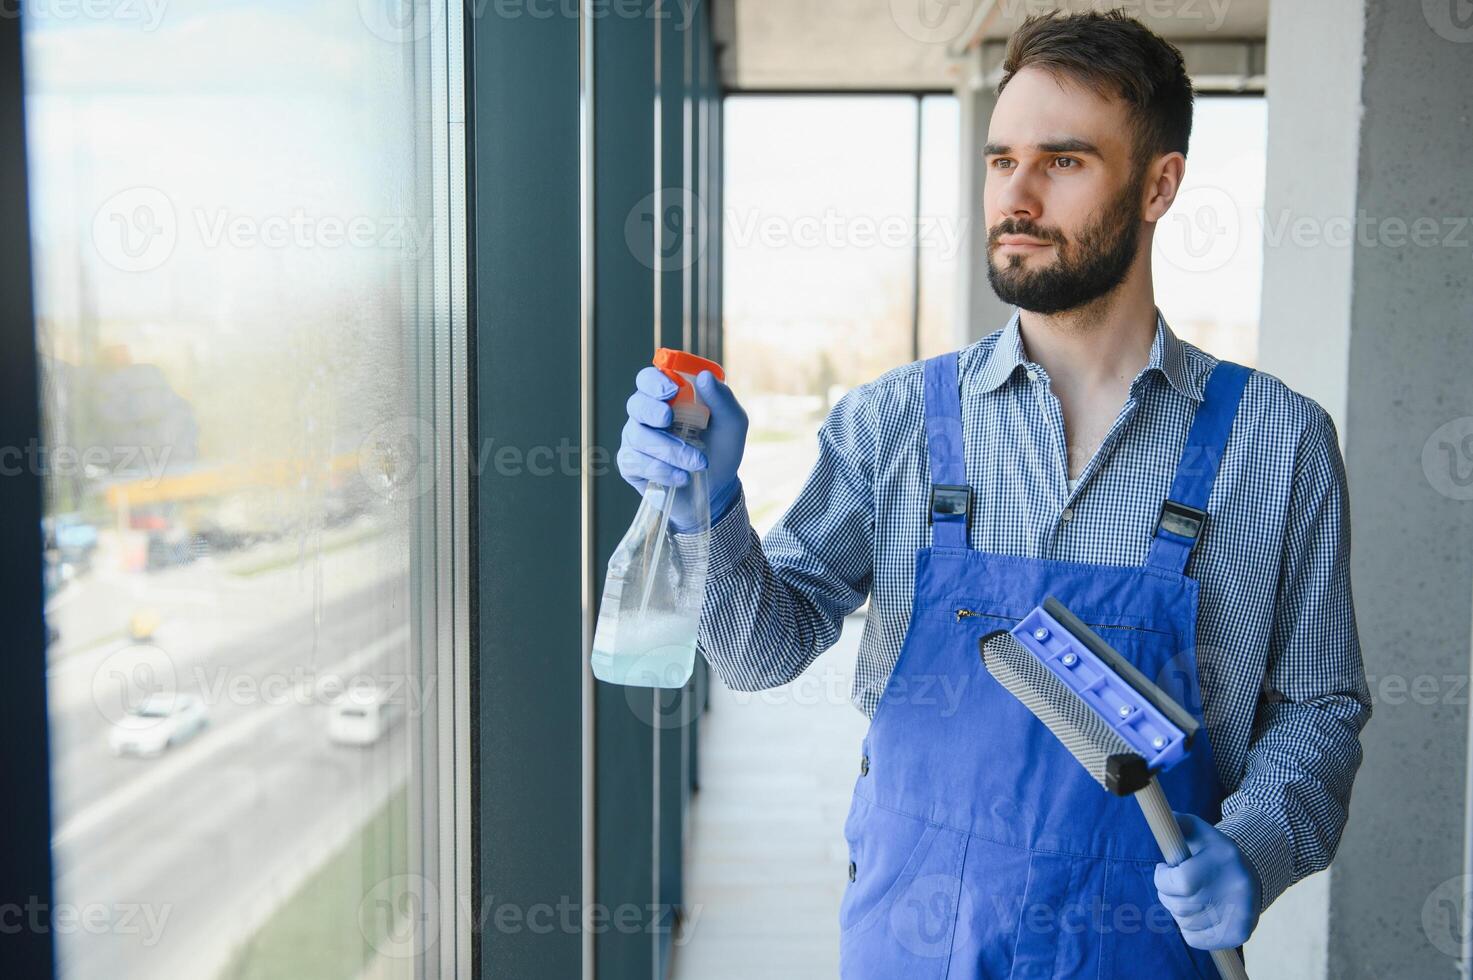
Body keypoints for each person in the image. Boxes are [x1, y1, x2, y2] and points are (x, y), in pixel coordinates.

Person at [618, 10, 1370, 977]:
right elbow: (762, 652)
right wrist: (709, 508)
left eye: (1061, 162)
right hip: (912, 946)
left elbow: (1316, 710)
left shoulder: (1278, 444)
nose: (1014, 195)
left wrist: (1254, 852)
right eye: (999, 159)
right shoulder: (893, 423)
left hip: (1142, 954)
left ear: (1158, 185)